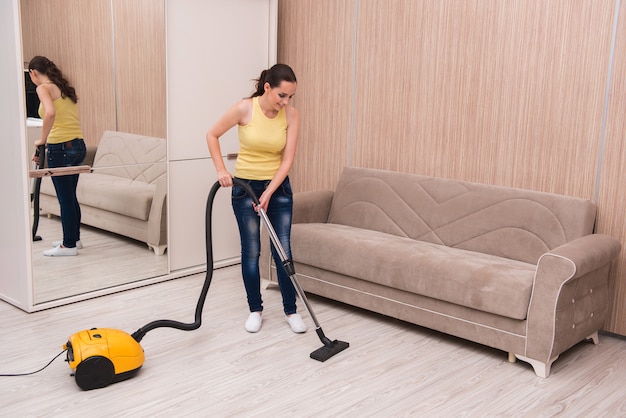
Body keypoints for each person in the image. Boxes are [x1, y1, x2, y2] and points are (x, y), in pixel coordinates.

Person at [206, 64, 306, 334]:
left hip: (278, 189)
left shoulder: (292, 115)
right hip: (245, 189)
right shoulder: (244, 108)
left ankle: (291, 310)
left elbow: (287, 160)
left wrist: (270, 191)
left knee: (282, 250)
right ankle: (255, 309)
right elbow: (212, 134)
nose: (285, 102)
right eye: (281, 95)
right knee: (251, 252)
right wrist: (221, 170)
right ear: (267, 88)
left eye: (290, 97)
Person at [28, 56, 86, 257]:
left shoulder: (43, 88)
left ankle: (68, 246)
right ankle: (74, 239)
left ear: (33, 72)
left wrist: (41, 140)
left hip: (60, 148)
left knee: (65, 199)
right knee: (70, 196)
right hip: (78, 146)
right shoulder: (63, 87)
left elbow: (50, 113)